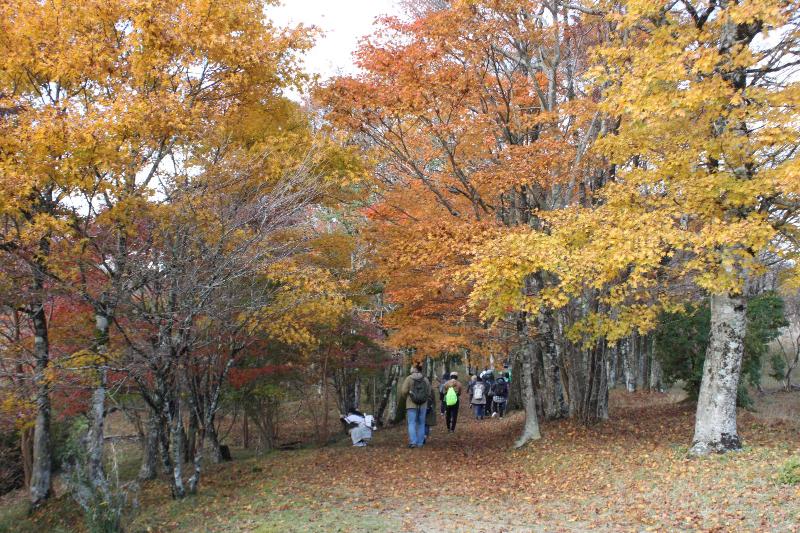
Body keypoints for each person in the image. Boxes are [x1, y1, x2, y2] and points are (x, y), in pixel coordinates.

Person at [400, 363, 431, 448]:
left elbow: (403, 391)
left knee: (412, 423)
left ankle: (413, 442)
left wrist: (407, 397)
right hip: (423, 405)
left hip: (411, 404)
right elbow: (429, 392)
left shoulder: (409, 379)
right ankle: (420, 443)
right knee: (421, 423)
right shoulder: (425, 379)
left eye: (412, 367)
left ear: (415, 369)